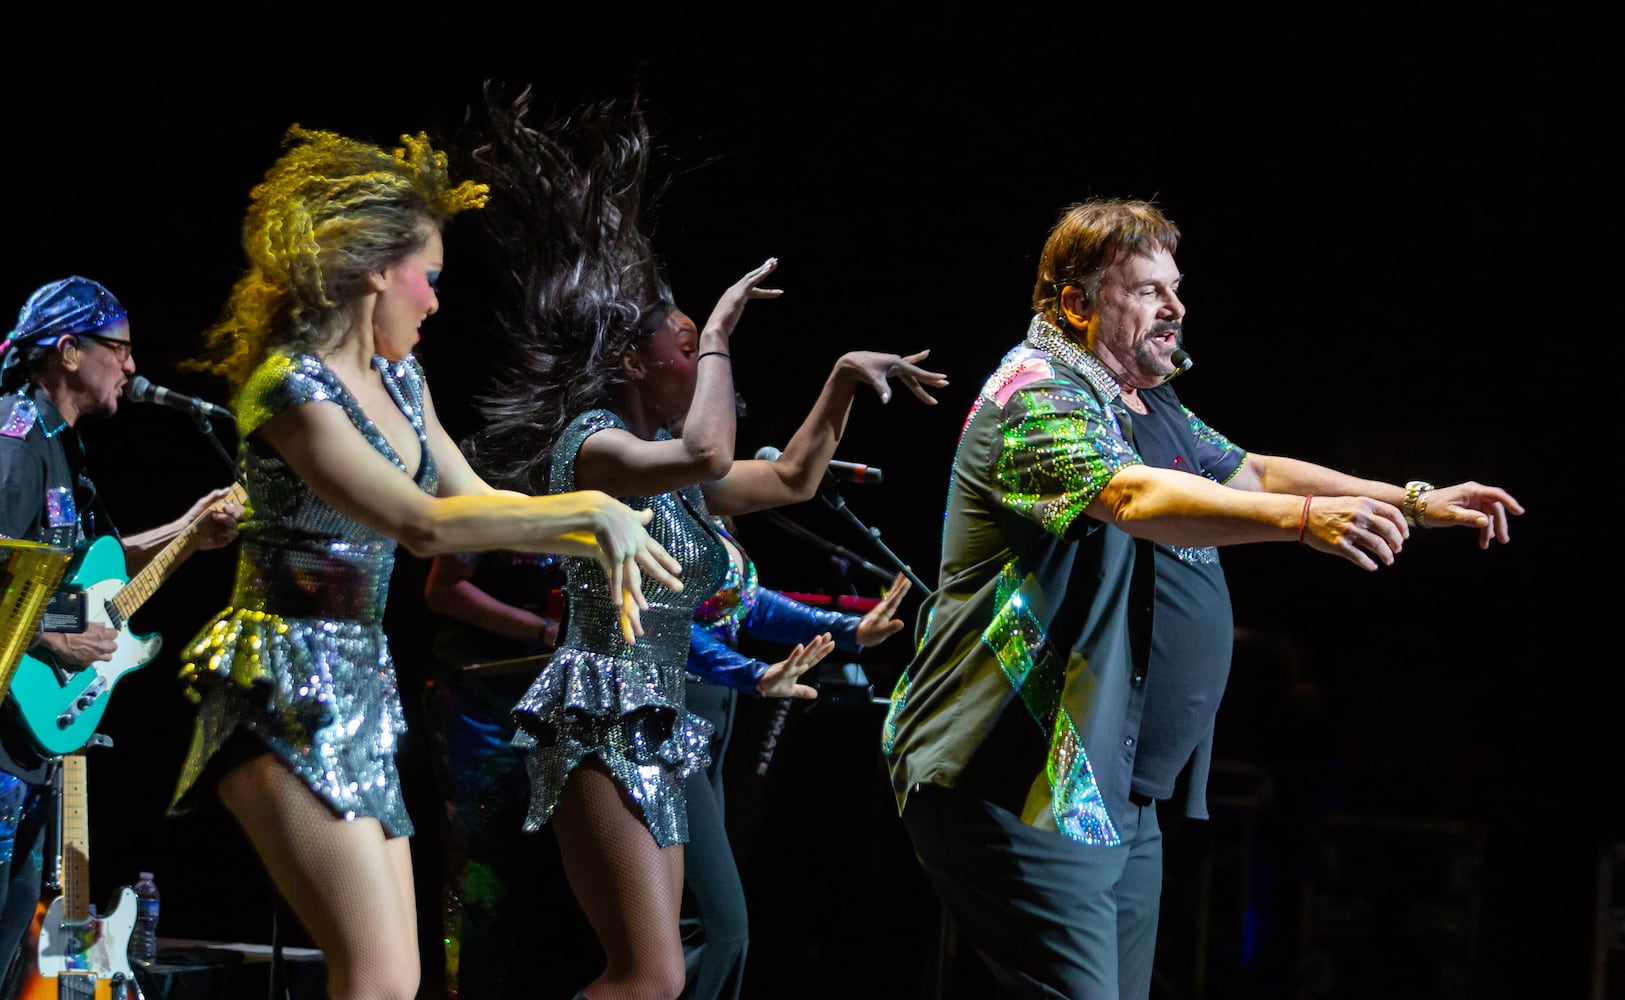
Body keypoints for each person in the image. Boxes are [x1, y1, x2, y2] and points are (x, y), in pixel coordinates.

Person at [881, 197, 1525, 999]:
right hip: (1021, 773)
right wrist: (1302, 523)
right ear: (1077, 303)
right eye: (1147, 289)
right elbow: (1132, 498)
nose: (1174, 307)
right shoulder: (1034, 393)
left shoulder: (1145, 401)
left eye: (1174, 287)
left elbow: (1248, 471)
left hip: (1112, 788)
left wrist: (1411, 500)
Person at [167, 125, 682, 1000]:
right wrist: (589, 509)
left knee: (397, 983)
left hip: (364, 683)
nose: (435, 303)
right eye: (429, 279)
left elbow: (480, 502)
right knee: (373, 981)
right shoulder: (286, 387)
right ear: (377, 270)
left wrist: (604, 524)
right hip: (278, 683)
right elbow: (421, 524)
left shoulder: (404, 381)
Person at [459, 86, 947, 1000]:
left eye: (703, 346)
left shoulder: (678, 481)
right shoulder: (596, 447)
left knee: (676, 968)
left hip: (664, 723)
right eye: (685, 349)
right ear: (636, 362)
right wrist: (718, 327)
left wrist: (841, 379)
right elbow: (709, 447)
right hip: (601, 716)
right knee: (648, 978)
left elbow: (792, 478)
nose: (706, 364)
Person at [0, 275, 243, 991]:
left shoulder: (61, 447)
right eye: (120, 349)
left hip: (28, 745)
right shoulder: (12, 444)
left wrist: (189, 531)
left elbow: (81, 577)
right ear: (70, 351)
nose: (132, 367)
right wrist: (51, 637)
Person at [679, 514, 911, 1000]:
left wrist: (849, 630)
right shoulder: (658, 496)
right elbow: (664, 620)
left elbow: (747, 604)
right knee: (719, 929)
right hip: (668, 719)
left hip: (714, 718)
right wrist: (751, 672)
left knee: (692, 930)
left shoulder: (699, 500)